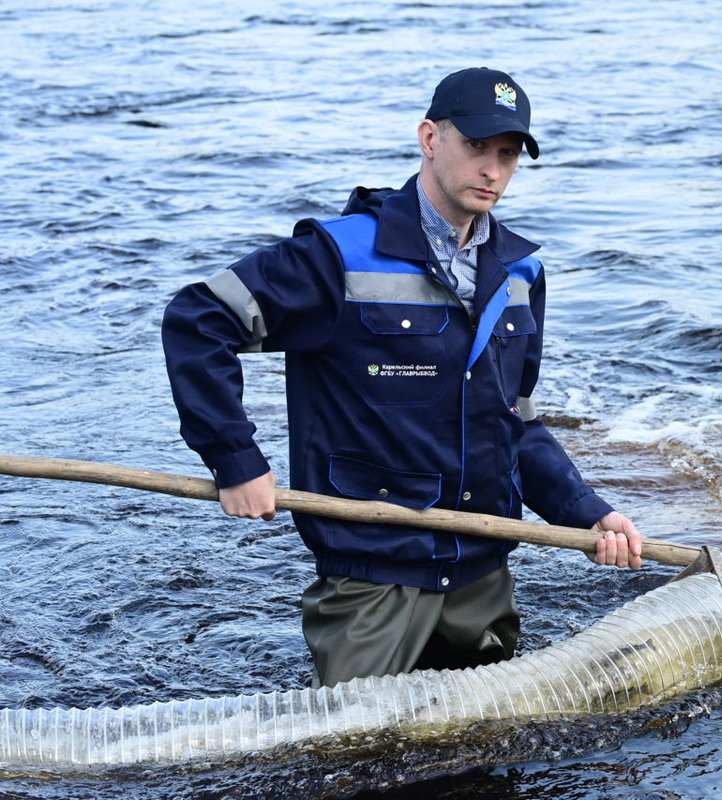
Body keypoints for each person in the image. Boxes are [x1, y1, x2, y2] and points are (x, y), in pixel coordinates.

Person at [161, 67, 642, 687]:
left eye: (508, 154)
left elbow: (514, 423)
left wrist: (586, 513)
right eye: (476, 147)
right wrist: (236, 459)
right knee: (352, 763)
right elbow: (198, 320)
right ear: (429, 139)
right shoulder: (336, 256)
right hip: (373, 576)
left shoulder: (521, 275)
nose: (492, 170)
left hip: (482, 571)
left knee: (484, 766)